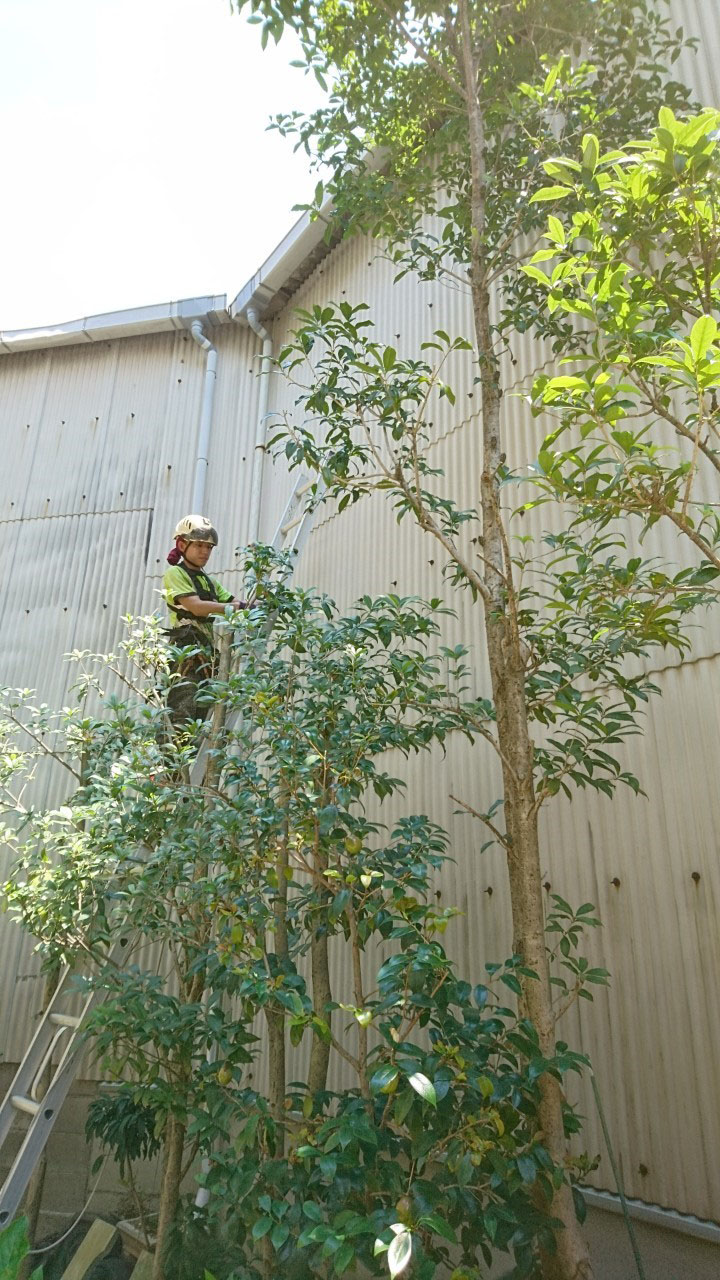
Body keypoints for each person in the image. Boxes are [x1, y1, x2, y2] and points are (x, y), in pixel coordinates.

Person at [163, 514, 244, 724]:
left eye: (209, 547)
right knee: (182, 713)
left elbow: (235, 602)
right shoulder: (175, 573)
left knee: (202, 714)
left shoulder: (209, 581)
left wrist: (258, 605)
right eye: (199, 545)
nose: (205, 551)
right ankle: (174, 757)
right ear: (182, 545)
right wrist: (235, 607)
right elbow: (196, 607)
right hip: (186, 651)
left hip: (207, 653)